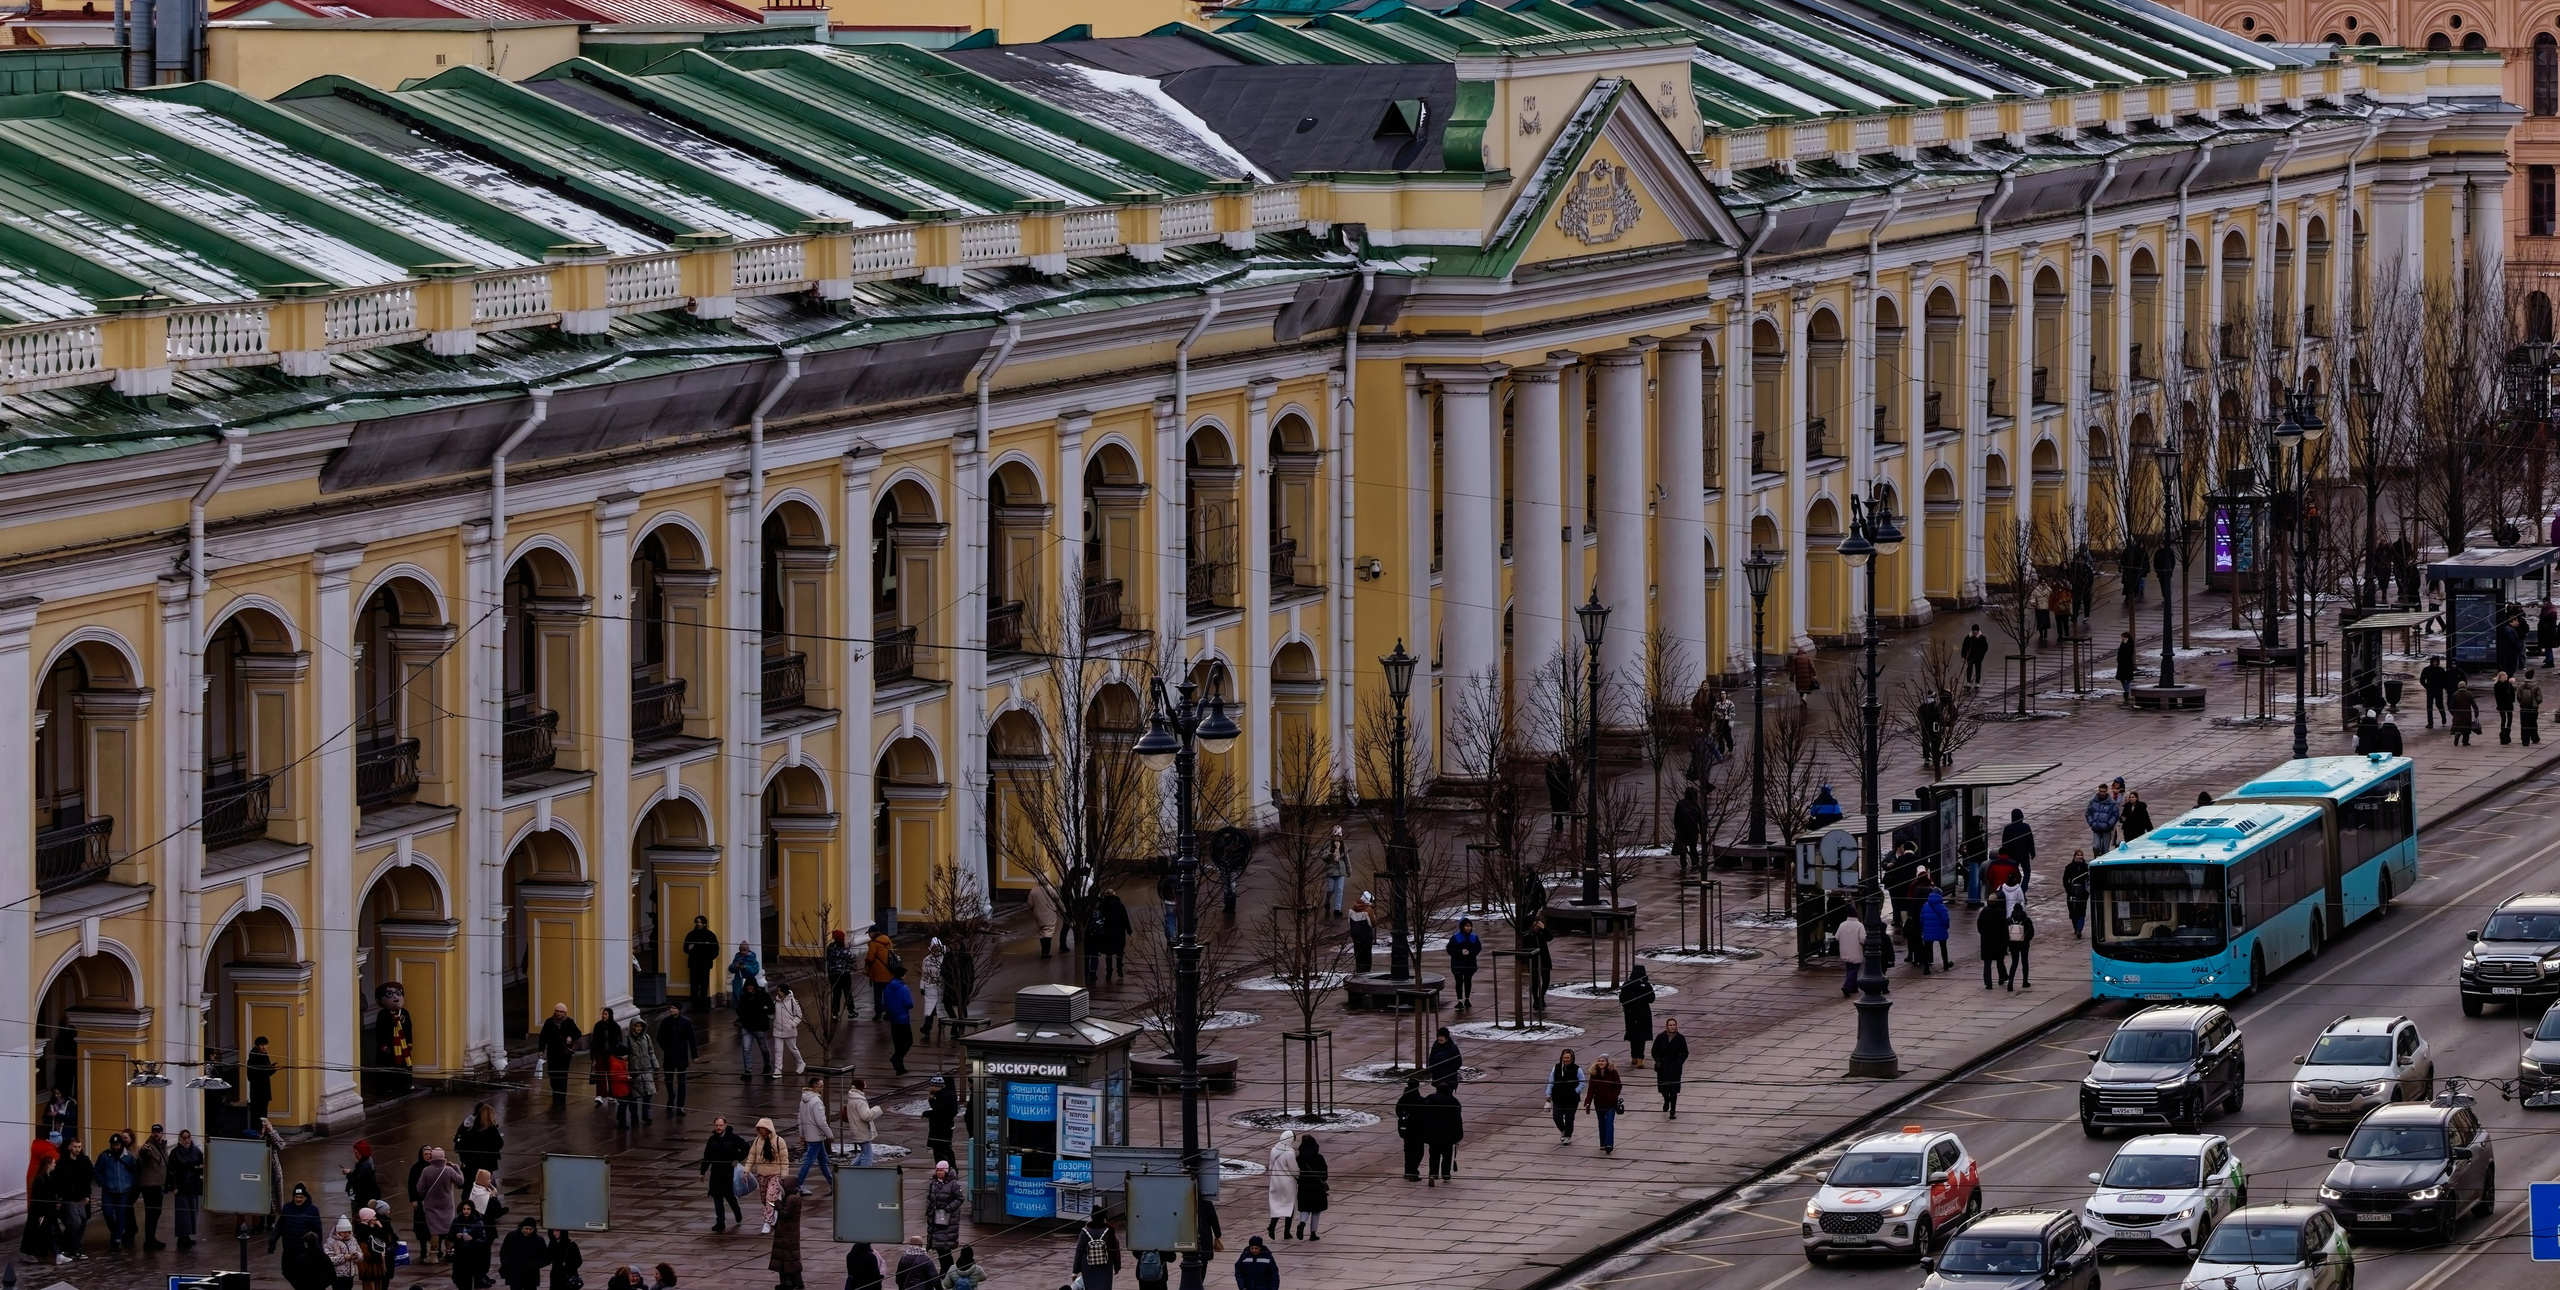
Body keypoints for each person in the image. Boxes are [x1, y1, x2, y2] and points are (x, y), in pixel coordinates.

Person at [697, 1116, 748, 1233]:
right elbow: (707, 1157)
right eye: (716, 1125)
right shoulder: (712, 1139)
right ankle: (720, 1221)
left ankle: (736, 1211)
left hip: (728, 1171)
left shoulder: (733, 1138)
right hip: (715, 1172)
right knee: (717, 1197)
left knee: (729, 1196)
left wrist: (738, 1158)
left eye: (720, 1125)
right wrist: (702, 1172)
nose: (718, 1127)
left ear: (725, 1125)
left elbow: (746, 1147)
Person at [417, 1148, 464, 1263]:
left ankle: (433, 1256)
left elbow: (420, 1188)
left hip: (431, 1204)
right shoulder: (448, 1170)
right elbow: (460, 1181)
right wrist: (456, 1167)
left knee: (434, 1231)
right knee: (448, 1229)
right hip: (447, 1204)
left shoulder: (426, 1170)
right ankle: (449, 1253)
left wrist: (424, 1195)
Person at [792, 1078, 836, 1194]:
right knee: (809, 1161)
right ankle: (798, 1185)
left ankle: (833, 1184)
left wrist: (802, 1134)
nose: (822, 1088)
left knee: (823, 1160)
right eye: (821, 1086)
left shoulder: (803, 1100)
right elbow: (820, 1121)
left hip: (809, 1135)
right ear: (815, 1087)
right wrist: (829, 1135)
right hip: (817, 1136)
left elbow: (800, 1119)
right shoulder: (816, 1101)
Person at [747, 1118, 790, 1234]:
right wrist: (746, 1170)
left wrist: (784, 1177)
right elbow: (752, 1156)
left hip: (775, 1174)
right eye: (760, 1129)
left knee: (769, 1198)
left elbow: (784, 1160)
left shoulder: (779, 1141)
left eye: (763, 1129)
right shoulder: (757, 1141)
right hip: (761, 1174)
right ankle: (773, 1211)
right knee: (764, 1199)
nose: (761, 1131)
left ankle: (767, 1221)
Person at [95, 1130, 136, 1252]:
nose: (116, 1147)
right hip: (108, 1191)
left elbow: (134, 1171)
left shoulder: (128, 1156)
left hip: (123, 1191)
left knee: (121, 1216)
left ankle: (117, 1238)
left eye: (118, 1145)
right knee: (107, 1214)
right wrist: (102, 1183)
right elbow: (97, 1171)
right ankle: (115, 1232)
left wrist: (130, 1185)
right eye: (114, 1145)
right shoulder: (104, 1156)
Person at [657, 1004, 699, 1117]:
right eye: (670, 1008)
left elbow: (692, 1039)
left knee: (681, 1082)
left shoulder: (686, 1022)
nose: (671, 1010)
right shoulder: (665, 1022)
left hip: (681, 1056)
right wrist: (665, 1048)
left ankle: (680, 1106)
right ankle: (671, 1097)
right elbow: (659, 1037)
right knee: (668, 1080)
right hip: (669, 1055)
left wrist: (694, 1056)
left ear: (679, 1010)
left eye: (674, 1008)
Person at [538, 1005, 582, 1105]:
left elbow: (578, 1033)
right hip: (552, 1052)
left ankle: (561, 1095)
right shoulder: (549, 1022)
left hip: (564, 1053)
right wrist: (541, 1050)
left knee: (562, 1073)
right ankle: (555, 1091)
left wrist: (571, 1037)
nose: (558, 1013)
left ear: (564, 1013)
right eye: (557, 1011)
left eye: (561, 1012)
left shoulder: (569, 1022)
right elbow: (543, 1036)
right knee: (552, 1072)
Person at [169, 1126, 204, 1249]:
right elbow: (171, 1171)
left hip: (193, 1186)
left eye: (188, 1137)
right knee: (183, 1213)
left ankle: (188, 1235)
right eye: (184, 1138)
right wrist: (173, 1186)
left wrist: (200, 1169)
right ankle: (182, 1237)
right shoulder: (175, 1153)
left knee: (193, 1211)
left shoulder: (196, 1151)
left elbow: (202, 1164)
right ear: (180, 1139)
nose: (187, 1140)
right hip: (181, 1186)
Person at [924, 1161, 965, 1269]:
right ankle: (946, 1270)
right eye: (937, 1170)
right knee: (938, 1246)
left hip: (947, 1221)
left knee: (943, 1247)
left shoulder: (953, 1184)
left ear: (946, 1171)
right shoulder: (934, 1183)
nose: (938, 1172)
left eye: (941, 1170)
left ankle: (947, 1270)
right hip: (935, 1220)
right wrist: (929, 1211)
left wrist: (948, 1208)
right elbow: (930, 1198)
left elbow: (960, 1198)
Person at [1420, 1083, 1463, 1184]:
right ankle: (1446, 1175)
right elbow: (1457, 1120)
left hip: (1433, 1134)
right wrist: (1458, 1135)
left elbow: (1423, 1117)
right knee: (1447, 1155)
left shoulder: (1430, 1100)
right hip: (1448, 1134)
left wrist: (1424, 1132)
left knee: (1434, 1155)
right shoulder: (1453, 1101)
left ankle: (1433, 1174)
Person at [135, 1122, 169, 1251]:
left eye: (158, 1132)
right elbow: (145, 1155)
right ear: (151, 1133)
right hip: (150, 1185)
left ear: (161, 1133)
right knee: (152, 1213)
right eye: (154, 1132)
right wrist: (144, 1151)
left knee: (156, 1213)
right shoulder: (148, 1146)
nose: (156, 1134)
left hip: (158, 1185)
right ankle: (149, 1241)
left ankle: (151, 1238)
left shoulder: (162, 1145)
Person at [1583, 1055, 1625, 1155]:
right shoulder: (1594, 1073)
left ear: (1607, 1062)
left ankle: (1609, 1144)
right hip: (1599, 1103)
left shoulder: (1613, 1072)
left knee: (1609, 1124)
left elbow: (1618, 1086)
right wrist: (1587, 1102)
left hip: (1611, 1104)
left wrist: (1613, 1097)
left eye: (1603, 1061)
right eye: (1599, 1061)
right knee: (1601, 1123)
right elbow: (1591, 1090)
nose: (1601, 1062)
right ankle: (1603, 1143)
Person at [735, 978, 777, 1078]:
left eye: (751, 985)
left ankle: (767, 1066)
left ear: (754, 986)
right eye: (747, 986)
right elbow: (739, 1010)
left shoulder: (763, 995)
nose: (749, 987)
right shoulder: (744, 997)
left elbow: (771, 1008)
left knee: (763, 1048)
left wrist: (761, 1012)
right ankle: (748, 1071)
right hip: (747, 1027)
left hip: (760, 1027)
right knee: (746, 1049)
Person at [1290, 1136, 1328, 1242]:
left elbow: (1295, 1173)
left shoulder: (1298, 1158)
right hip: (1317, 1189)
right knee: (1316, 1211)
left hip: (1304, 1188)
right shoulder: (1319, 1158)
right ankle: (1313, 1234)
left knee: (1305, 1209)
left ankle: (1302, 1223)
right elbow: (1324, 1175)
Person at [274, 1179, 324, 1258]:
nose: (298, 1199)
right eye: (296, 1197)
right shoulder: (287, 1208)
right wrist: (273, 1240)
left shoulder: (313, 1210)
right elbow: (280, 1226)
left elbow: (318, 1231)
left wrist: (319, 1248)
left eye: (301, 1197)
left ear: (305, 1197)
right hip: (288, 1251)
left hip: (304, 1252)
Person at [450, 1199, 493, 1290]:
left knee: (467, 1279)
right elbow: (450, 1236)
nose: (466, 1211)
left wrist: (472, 1239)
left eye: (468, 1209)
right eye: (464, 1209)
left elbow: (484, 1240)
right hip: (459, 1254)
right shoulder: (456, 1220)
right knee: (456, 1278)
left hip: (471, 1254)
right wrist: (456, 1236)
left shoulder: (478, 1222)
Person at [625, 1017, 661, 1126]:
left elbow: (651, 1052)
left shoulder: (646, 1038)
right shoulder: (628, 1039)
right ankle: (634, 1117)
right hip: (634, 1072)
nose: (638, 1028)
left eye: (640, 1026)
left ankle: (646, 1115)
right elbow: (625, 1057)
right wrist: (626, 1071)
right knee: (633, 1097)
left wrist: (656, 1066)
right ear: (632, 1027)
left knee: (648, 1094)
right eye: (636, 1026)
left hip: (647, 1069)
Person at [1618, 965, 1655, 1067]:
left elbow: (1622, 998)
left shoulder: (1627, 984)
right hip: (1643, 1014)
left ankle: (1634, 1056)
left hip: (1630, 1015)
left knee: (1633, 1036)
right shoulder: (1646, 985)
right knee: (1641, 1037)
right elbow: (1651, 999)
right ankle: (1640, 1058)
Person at [1651, 1017, 1689, 1117]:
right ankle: (1666, 1100)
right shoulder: (1660, 1037)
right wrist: (1658, 1060)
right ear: (1667, 1026)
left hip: (1675, 1067)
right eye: (1670, 1025)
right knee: (1664, 1088)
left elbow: (1685, 1052)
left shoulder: (1680, 1038)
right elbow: (1654, 1050)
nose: (1672, 1027)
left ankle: (1673, 1111)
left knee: (1673, 1089)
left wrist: (1680, 1061)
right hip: (1663, 1067)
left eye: (1674, 1025)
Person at [454, 1105, 503, 1182]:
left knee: (471, 1184)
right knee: (486, 1184)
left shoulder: (472, 1129)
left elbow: (462, 1142)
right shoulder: (492, 1130)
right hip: (487, 1163)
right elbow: (499, 1144)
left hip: (472, 1163)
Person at [1263, 1132, 1297, 1240]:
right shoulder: (1290, 1153)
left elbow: (1270, 1165)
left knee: (1277, 1206)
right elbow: (1294, 1169)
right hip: (1287, 1183)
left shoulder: (1273, 1150)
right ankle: (1286, 1232)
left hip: (1275, 1181)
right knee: (1289, 1206)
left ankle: (1272, 1226)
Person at [883, 966, 917, 1076]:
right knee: (908, 1041)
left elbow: (885, 1003)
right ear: (902, 975)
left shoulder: (887, 987)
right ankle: (896, 1058)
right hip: (903, 1019)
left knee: (898, 1043)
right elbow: (908, 1004)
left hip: (893, 1018)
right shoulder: (904, 988)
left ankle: (900, 1068)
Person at [769, 1190, 805, 1290]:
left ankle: (795, 1283)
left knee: (790, 1261)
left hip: (787, 1236)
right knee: (786, 1261)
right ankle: (787, 1283)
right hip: (785, 1234)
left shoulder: (791, 1199)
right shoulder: (793, 1197)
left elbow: (785, 1214)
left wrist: (777, 1205)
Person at [1073, 1214, 1121, 1290]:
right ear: (1103, 1218)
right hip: (1105, 1266)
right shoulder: (1109, 1230)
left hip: (1088, 1266)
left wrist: (1075, 1271)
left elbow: (1079, 1251)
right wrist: (1117, 1266)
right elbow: (1115, 1249)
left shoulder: (1084, 1231)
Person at [499, 1220, 550, 1290]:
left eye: (530, 1229)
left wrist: (534, 1265)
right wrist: (508, 1263)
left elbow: (545, 1257)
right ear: (522, 1227)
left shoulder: (538, 1240)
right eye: (526, 1229)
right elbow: (504, 1252)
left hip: (530, 1274)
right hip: (515, 1272)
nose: (528, 1231)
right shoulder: (511, 1236)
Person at [683, 916, 721, 1007]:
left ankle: (704, 1005)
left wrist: (710, 958)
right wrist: (689, 948)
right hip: (694, 964)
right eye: (696, 922)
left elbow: (716, 949)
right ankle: (694, 1006)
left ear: (704, 924)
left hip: (705, 964)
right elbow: (685, 949)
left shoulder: (710, 935)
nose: (698, 924)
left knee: (704, 986)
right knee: (694, 986)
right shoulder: (691, 935)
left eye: (700, 922)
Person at [1094, 893, 1132, 983]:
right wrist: (1129, 931)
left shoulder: (1102, 906)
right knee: (1119, 953)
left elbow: (1097, 918)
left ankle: (1109, 971)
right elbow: (1125, 919)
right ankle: (1119, 969)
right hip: (1119, 933)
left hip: (1107, 934)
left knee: (1108, 954)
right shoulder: (1120, 906)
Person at [1546, 1049, 1582, 1143]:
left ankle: (1568, 1135)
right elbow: (1551, 1081)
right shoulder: (1556, 1068)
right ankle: (1563, 1129)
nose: (1566, 1059)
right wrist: (1548, 1093)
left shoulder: (1577, 1069)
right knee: (1556, 1116)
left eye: (1568, 1058)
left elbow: (1582, 1082)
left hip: (1572, 1099)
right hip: (1558, 1097)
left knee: (1569, 1118)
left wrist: (1576, 1091)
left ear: (1572, 1058)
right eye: (1564, 1057)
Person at [771, 983, 806, 1077]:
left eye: (780, 990)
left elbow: (799, 1015)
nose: (778, 992)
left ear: (784, 991)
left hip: (789, 1030)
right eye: (777, 990)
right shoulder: (776, 1002)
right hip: (778, 1029)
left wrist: (792, 1024)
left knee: (792, 1049)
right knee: (778, 1050)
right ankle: (778, 1069)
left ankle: (800, 1062)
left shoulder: (792, 1001)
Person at [1395, 1077, 1427, 1181]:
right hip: (1417, 1130)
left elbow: (1398, 1111)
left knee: (1408, 1151)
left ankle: (1408, 1171)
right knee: (1418, 1152)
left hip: (1405, 1129)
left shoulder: (1403, 1098)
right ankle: (1413, 1172)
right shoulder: (1419, 1100)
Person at [826, 930, 861, 1023]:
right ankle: (851, 1011)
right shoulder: (844, 949)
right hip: (844, 974)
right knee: (847, 992)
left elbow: (828, 959)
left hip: (833, 974)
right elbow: (852, 959)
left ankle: (835, 1013)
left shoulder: (830, 948)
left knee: (836, 994)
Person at [1445, 918, 1481, 1008]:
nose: (1469, 928)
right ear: (1462, 927)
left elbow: (1478, 947)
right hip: (1458, 964)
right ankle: (1460, 1000)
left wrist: (1471, 952)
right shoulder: (1456, 937)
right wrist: (1460, 951)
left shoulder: (1473, 937)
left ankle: (1467, 999)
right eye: (1467, 926)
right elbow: (1449, 949)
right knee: (1459, 982)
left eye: (1470, 926)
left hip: (1469, 964)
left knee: (1468, 981)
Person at [923, 1078, 958, 1169]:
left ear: (937, 1086)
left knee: (940, 1152)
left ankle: (943, 1170)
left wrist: (926, 1113)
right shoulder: (946, 1094)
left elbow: (939, 1111)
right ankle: (951, 1169)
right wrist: (931, 1100)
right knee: (946, 1149)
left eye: (932, 1086)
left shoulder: (943, 1096)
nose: (930, 1088)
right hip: (945, 1127)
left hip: (940, 1129)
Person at [1977, 897, 2011, 990]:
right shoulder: (2000, 912)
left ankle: (1988, 983)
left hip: (1986, 941)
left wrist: (1984, 934)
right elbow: (2004, 928)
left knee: (1987, 962)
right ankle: (2002, 977)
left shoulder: (1984, 912)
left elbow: (1979, 925)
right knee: (1999, 960)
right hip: (1998, 940)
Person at [1522, 913, 1554, 1012]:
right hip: (1534, 961)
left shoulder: (1542, 934)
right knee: (1535, 981)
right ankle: (1535, 1000)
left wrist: (1544, 928)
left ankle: (1542, 996)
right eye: (1535, 925)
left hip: (1544, 960)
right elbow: (1524, 949)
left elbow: (1550, 937)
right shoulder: (1528, 936)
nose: (1536, 927)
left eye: (1538, 925)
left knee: (1546, 980)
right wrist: (1526, 960)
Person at [864, 927, 897, 1021]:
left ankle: (878, 1014)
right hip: (889, 972)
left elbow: (870, 958)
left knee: (878, 994)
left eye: (869, 933)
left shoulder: (874, 943)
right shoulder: (887, 940)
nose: (869, 936)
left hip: (878, 973)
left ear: (873, 933)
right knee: (888, 994)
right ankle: (888, 1013)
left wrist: (866, 963)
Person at [1918, 887, 1952, 972]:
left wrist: (1923, 929)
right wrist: (1946, 927)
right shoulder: (1942, 907)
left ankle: (1926, 968)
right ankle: (1945, 965)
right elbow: (1945, 919)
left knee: (1927, 949)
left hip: (1928, 931)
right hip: (1941, 930)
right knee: (1943, 948)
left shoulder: (1925, 905)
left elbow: (1921, 918)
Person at [247, 1036, 278, 1128]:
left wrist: (272, 1069)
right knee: (257, 1112)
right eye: (262, 1045)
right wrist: (268, 1070)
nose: (264, 1047)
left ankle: (263, 1130)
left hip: (264, 1089)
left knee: (263, 1112)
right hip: (257, 1090)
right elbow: (253, 1075)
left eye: (265, 1045)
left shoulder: (265, 1056)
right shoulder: (253, 1058)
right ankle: (257, 1130)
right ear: (257, 1046)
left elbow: (266, 1073)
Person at [1999, 809, 2035, 887]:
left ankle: (2014, 889)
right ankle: (2022, 891)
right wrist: (2032, 853)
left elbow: (2004, 843)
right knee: (2027, 873)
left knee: (2013, 873)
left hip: (2012, 855)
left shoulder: (2008, 828)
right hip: (2024, 854)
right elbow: (2030, 841)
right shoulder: (2026, 827)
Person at [1834, 911, 1866, 996]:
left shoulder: (1842, 924)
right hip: (1856, 951)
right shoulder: (1859, 925)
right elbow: (1862, 939)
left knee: (1849, 969)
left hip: (1845, 950)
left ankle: (1854, 987)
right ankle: (1847, 986)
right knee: (1854, 970)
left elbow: (1837, 937)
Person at [2007, 899, 2036, 990]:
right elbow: (2031, 932)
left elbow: (2004, 932)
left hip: (2013, 943)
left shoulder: (2009, 920)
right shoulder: (2026, 920)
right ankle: (2025, 981)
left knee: (2014, 962)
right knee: (2025, 962)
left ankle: (2010, 981)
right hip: (2024, 944)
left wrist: (2008, 942)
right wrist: (2026, 940)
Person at [327, 1215, 362, 1290]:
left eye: (349, 1232)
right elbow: (329, 1259)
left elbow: (360, 1253)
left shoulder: (353, 1239)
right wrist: (344, 1257)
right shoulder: (331, 1241)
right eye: (344, 1232)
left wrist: (356, 1256)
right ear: (339, 1232)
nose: (347, 1234)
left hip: (350, 1274)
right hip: (337, 1275)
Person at [2062, 850, 2092, 938]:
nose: (2080, 857)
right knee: (2073, 912)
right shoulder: (2069, 867)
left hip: (2083, 894)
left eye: (2081, 855)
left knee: (2082, 911)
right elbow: (2065, 880)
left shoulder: (2086, 867)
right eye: (2078, 855)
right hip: (2072, 893)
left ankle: (2079, 929)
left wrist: (2086, 892)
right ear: (2074, 856)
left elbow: (2088, 880)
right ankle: (2075, 927)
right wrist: (2069, 890)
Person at [2084, 784, 2120, 855]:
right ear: (2099, 791)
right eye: (2101, 791)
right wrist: (2091, 822)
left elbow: (2115, 815)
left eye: (2104, 791)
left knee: (2105, 849)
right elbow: (2088, 813)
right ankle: (2096, 857)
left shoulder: (2112, 803)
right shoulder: (2093, 802)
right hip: (2096, 828)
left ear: (2107, 791)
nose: (2102, 793)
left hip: (2106, 829)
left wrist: (2109, 824)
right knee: (2096, 846)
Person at [1425, 1027, 1462, 1095]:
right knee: (1439, 1096)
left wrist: (1448, 1071)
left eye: (1442, 1036)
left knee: (1447, 1097)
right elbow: (1431, 1058)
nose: (1440, 1038)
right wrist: (1432, 1068)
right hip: (1438, 1077)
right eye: (1439, 1036)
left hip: (1449, 1079)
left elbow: (1458, 1062)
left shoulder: (1453, 1047)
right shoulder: (1436, 1046)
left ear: (1446, 1037)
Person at [1346, 892, 1375, 974]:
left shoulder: (1352, 908)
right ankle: (1366, 973)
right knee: (1367, 956)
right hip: (1366, 937)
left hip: (1356, 936)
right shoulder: (1368, 910)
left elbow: (1349, 921)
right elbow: (1372, 923)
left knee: (1358, 955)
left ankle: (1359, 971)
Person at [1031, 884, 1062, 961]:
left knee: (1042, 932)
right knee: (1048, 932)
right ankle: (1045, 952)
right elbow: (1058, 900)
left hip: (1038, 913)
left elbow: (1029, 903)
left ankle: (1044, 951)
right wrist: (1063, 910)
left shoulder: (1034, 890)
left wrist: (1035, 910)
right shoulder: (1051, 890)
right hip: (1050, 913)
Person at [729, 940, 763, 1005]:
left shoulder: (752, 959)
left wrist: (746, 968)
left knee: (748, 993)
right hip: (738, 979)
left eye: (745, 950)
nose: (743, 952)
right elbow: (730, 969)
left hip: (749, 980)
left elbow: (755, 970)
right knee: (737, 992)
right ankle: (737, 1006)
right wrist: (735, 966)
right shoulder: (737, 958)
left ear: (748, 951)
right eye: (741, 950)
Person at [2421, 655, 2450, 728]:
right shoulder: (2426, 670)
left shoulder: (2441, 670)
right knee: (2429, 707)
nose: (2435, 663)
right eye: (2434, 662)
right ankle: (2430, 723)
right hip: (2430, 691)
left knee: (2439, 705)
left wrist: (2442, 686)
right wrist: (2426, 686)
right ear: (2431, 662)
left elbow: (2445, 680)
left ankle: (2443, 716)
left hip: (2438, 691)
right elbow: (2422, 680)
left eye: (2436, 662)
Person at [2453, 679, 2481, 746]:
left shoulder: (2455, 695)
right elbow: (2475, 706)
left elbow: (2451, 705)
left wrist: (2453, 713)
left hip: (2458, 714)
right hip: (2467, 714)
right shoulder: (2469, 694)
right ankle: (2465, 742)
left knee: (2458, 727)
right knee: (2466, 728)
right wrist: (2476, 714)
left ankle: (2457, 734)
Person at [2497, 670, 2519, 743]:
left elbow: (2496, 696)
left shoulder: (2496, 685)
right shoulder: (2508, 684)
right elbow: (2513, 695)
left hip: (2501, 705)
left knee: (2503, 719)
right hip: (2508, 704)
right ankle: (2507, 734)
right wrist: (2512, 701)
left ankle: (2502, 733)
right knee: (2509, 719)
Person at [2116, 629, 2138, 700]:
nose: (2122, 638)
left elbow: (2128, 652)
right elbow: (2120, 652)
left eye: (2123, 637)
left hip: (2127, 664)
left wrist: (2125, 644)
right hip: (2122, 664)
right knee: (2122, 678)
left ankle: (2126, 691)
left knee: (2127, 678)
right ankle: (2126, 690)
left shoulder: (2129, 644)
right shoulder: (2123, 643)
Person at [2526, 671, 2546, 747]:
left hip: (2524, 707)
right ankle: (2535, 738)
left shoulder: (2521, 685)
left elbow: (2518, 696)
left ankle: (2525, 739)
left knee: (2525, 723)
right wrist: (2536, 704)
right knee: (2533, 722)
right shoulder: (2535, 686)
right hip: (2533, 707)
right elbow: (2539, 698)